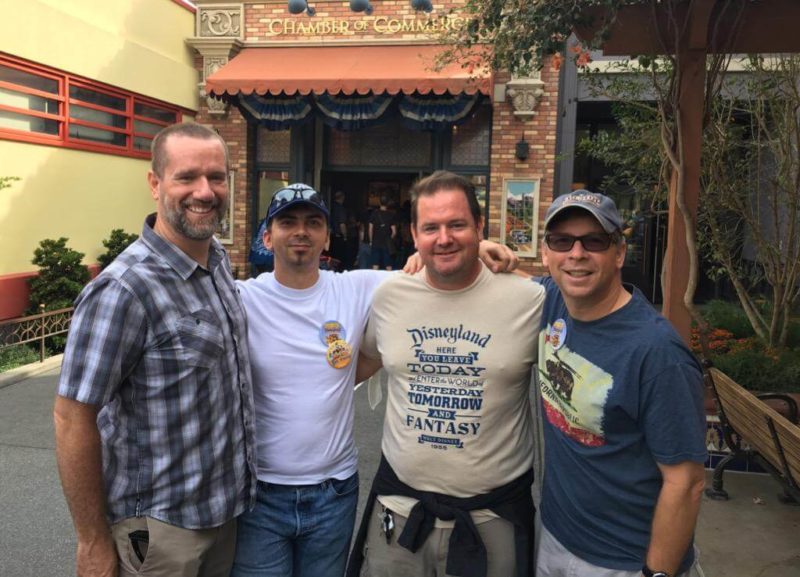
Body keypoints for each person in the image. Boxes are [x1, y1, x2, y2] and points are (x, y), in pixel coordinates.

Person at [230, 182, 518, 577]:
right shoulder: (241, 298)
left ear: (327, 235)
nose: (301, 231)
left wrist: (477, 249)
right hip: (260, 493)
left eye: (313, 222)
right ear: (267, 235)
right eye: (288, 222)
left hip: (333, 491)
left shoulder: (356, 287)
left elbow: (432, 268)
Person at [54, 123, 256, 577]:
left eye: (216, 177)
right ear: (155, 183)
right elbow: (72, 417)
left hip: (223, 520)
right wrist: (92, 542)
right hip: (159, 536)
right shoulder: (124, 289)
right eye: (186, 177)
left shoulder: (217, 262)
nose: (204, 191)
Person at [348, 170, 545, 577]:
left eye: (457, 225)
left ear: (479, 227)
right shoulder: (389, 296)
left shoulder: (529, 300)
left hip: (493, 520)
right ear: (413, 235)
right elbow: (358, 366)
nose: (443, 238)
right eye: (431, 228)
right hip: (400, 513)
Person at [535, 190, 707, 577]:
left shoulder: (658, 353)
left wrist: (656, 573)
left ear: (619, 253)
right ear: (547, 254)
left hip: (624, 560)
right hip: (555, 536)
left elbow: (686, 482)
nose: (576, 254)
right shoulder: (551, 300)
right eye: (562, 241)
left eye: (594, 241)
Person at [369, 194, 397, 271]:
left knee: (375, 264)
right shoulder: (391, 215)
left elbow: (370, 228)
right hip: (387, 243)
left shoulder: (374, 214)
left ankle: (375, 282)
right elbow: (394, 231)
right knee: (388, 265)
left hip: (376, 242)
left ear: (379, 202)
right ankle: (390, 282)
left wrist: (371, 241)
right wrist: (390, 239)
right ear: (388, 203)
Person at [330, 190, 352, 270]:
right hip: (339, 237)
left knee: (333, 257)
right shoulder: (341, 209)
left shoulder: (331, 207)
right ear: (342, 198)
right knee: (340, 258)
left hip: (332, 236)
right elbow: (342, 224)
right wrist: (345, 236)